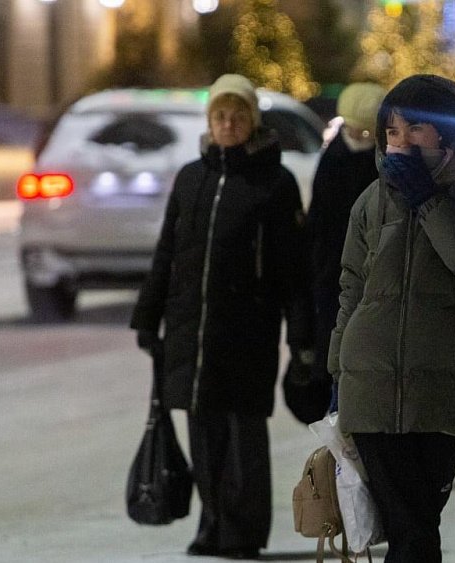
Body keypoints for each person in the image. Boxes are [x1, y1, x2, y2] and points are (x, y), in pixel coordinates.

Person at [327, 74, 455, 562]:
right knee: (411, 531)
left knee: (415, 526)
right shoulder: (372, 199)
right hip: (372, 386)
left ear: (449, 134)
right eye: (392, 132)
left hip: (442, 394)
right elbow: (352, 287)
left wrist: (428, 200)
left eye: (416, 130)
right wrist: (337, 372)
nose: (401, 142)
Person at [130, 74, 314, 559]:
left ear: (252, 121)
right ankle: (211, 525)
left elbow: (291, 268)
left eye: (237, 116)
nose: (228, 124)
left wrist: (302, 338)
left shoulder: (274, 182)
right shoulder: (193, 178)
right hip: (191, 328)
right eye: (219, 116)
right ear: (210, 121)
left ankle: (244, 532)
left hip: (247, 330)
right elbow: (167, 252)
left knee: (242, 439)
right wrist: (147, 317)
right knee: (203, 432)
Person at [283, 82, 386, 424]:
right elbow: (319, 228)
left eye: (366, 129)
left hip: (374, 287)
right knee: (336, 375)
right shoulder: (334, 159)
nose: (359, 135)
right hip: (332, 284)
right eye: (353, 127)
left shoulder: (383, 163)